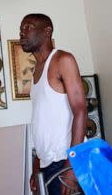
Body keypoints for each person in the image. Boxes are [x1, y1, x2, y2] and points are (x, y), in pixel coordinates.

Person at [20, 14, 87, 195]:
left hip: (66, 162)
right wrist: (36, 168)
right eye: (21, 29)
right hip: (46, 166)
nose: (22, 33)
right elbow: (42, 124)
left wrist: (72, 166)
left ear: (47, 31)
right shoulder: (35, 72)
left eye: (29, 27)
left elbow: (80, 110)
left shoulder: (63, 60)